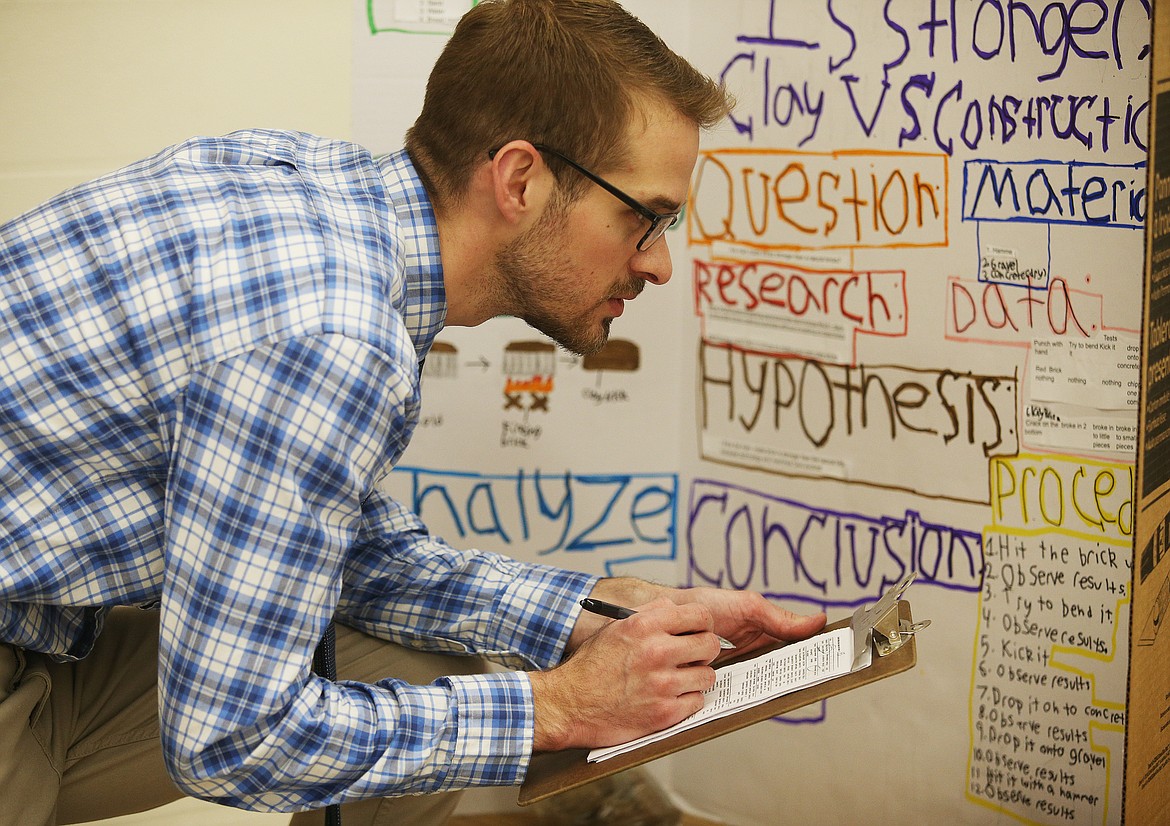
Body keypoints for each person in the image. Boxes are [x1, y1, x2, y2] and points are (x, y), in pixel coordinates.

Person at [0, 1, 827, 824]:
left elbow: (320, 547)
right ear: (519, 179)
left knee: (423, 665)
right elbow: (232, 740)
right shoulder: (332, 333)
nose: (659, 263)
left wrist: (590, 614)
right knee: (454, 707)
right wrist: (557, 708)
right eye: (642, 217)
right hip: (28, 662)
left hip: (43, 636)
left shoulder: (313, 189)